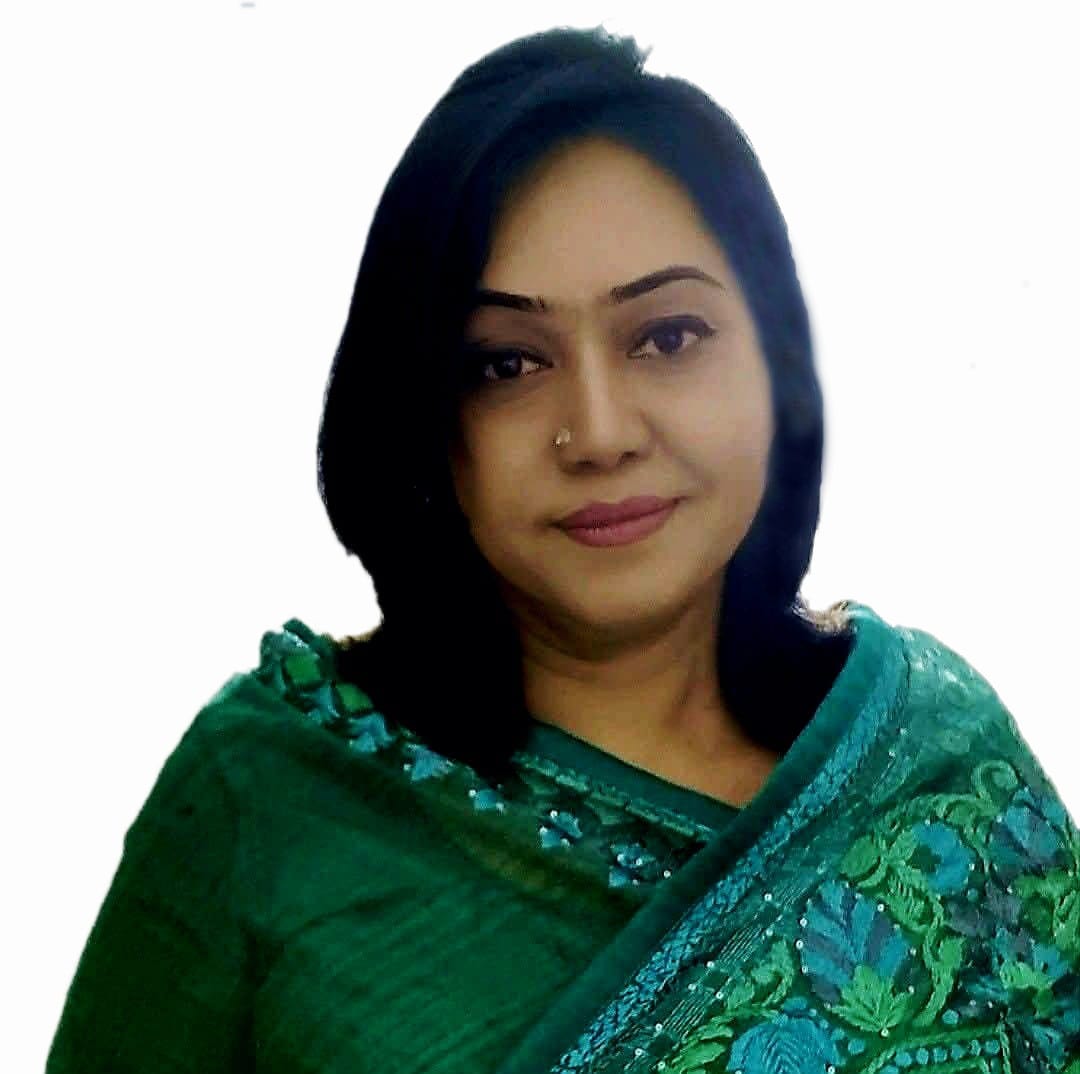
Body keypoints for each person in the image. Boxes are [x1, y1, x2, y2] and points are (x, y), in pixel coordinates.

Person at [47, 24, 1079, 1074]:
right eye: (507, 364)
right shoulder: (268, 803)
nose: (599, 432)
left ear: (776, 364)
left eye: (667, 337)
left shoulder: (936, 777)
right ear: (422, 415)